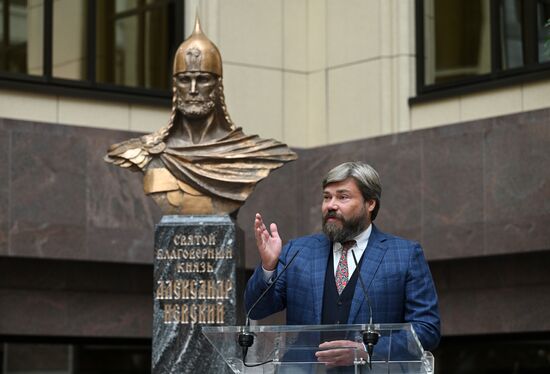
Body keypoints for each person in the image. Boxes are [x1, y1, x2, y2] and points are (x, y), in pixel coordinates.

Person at [244, 161, 440, 369]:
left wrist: (365, 350)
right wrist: (268, 267)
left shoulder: (404, 255)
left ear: (370, 203)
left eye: (343, 197)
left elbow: (427, 329)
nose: (331, 205)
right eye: (327, 197)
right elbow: (256, 310)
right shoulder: (298, 252)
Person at [105, 16, 296, 215]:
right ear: (175, 86)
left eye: (203, 79)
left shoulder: (254, 154)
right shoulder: (144, 152)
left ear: (217, 87)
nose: (193, 89)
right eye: (185, 80)